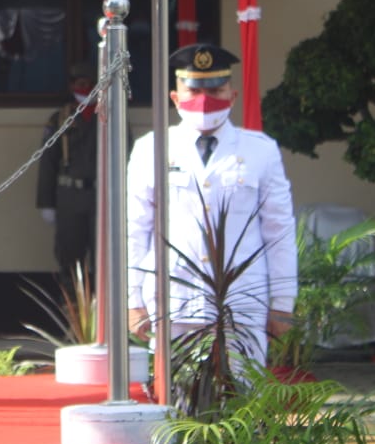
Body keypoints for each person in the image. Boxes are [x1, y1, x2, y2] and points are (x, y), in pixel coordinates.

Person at [126, 43, 297, 366]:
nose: (205, 101)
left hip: (242, 301)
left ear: (232, 97)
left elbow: (279, 231)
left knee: (243, 400)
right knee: (177, 405)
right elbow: (134, 229)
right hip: (174, 299)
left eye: (217, 91)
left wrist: (283, 302)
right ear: (175, 98)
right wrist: (133, 300)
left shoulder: (261, 150)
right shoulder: (151, 149)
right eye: (192, 91)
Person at [35, 62, 99, 287]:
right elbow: (47, 162)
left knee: (105, 257)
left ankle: (105, 313)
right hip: (69, 196)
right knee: (69, 257)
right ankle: (72, 313)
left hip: (102, 197)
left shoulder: (111, 115)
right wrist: (46, 203)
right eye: (81, 83)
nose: (86, 87)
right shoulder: (59, 119)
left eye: (91, 83)